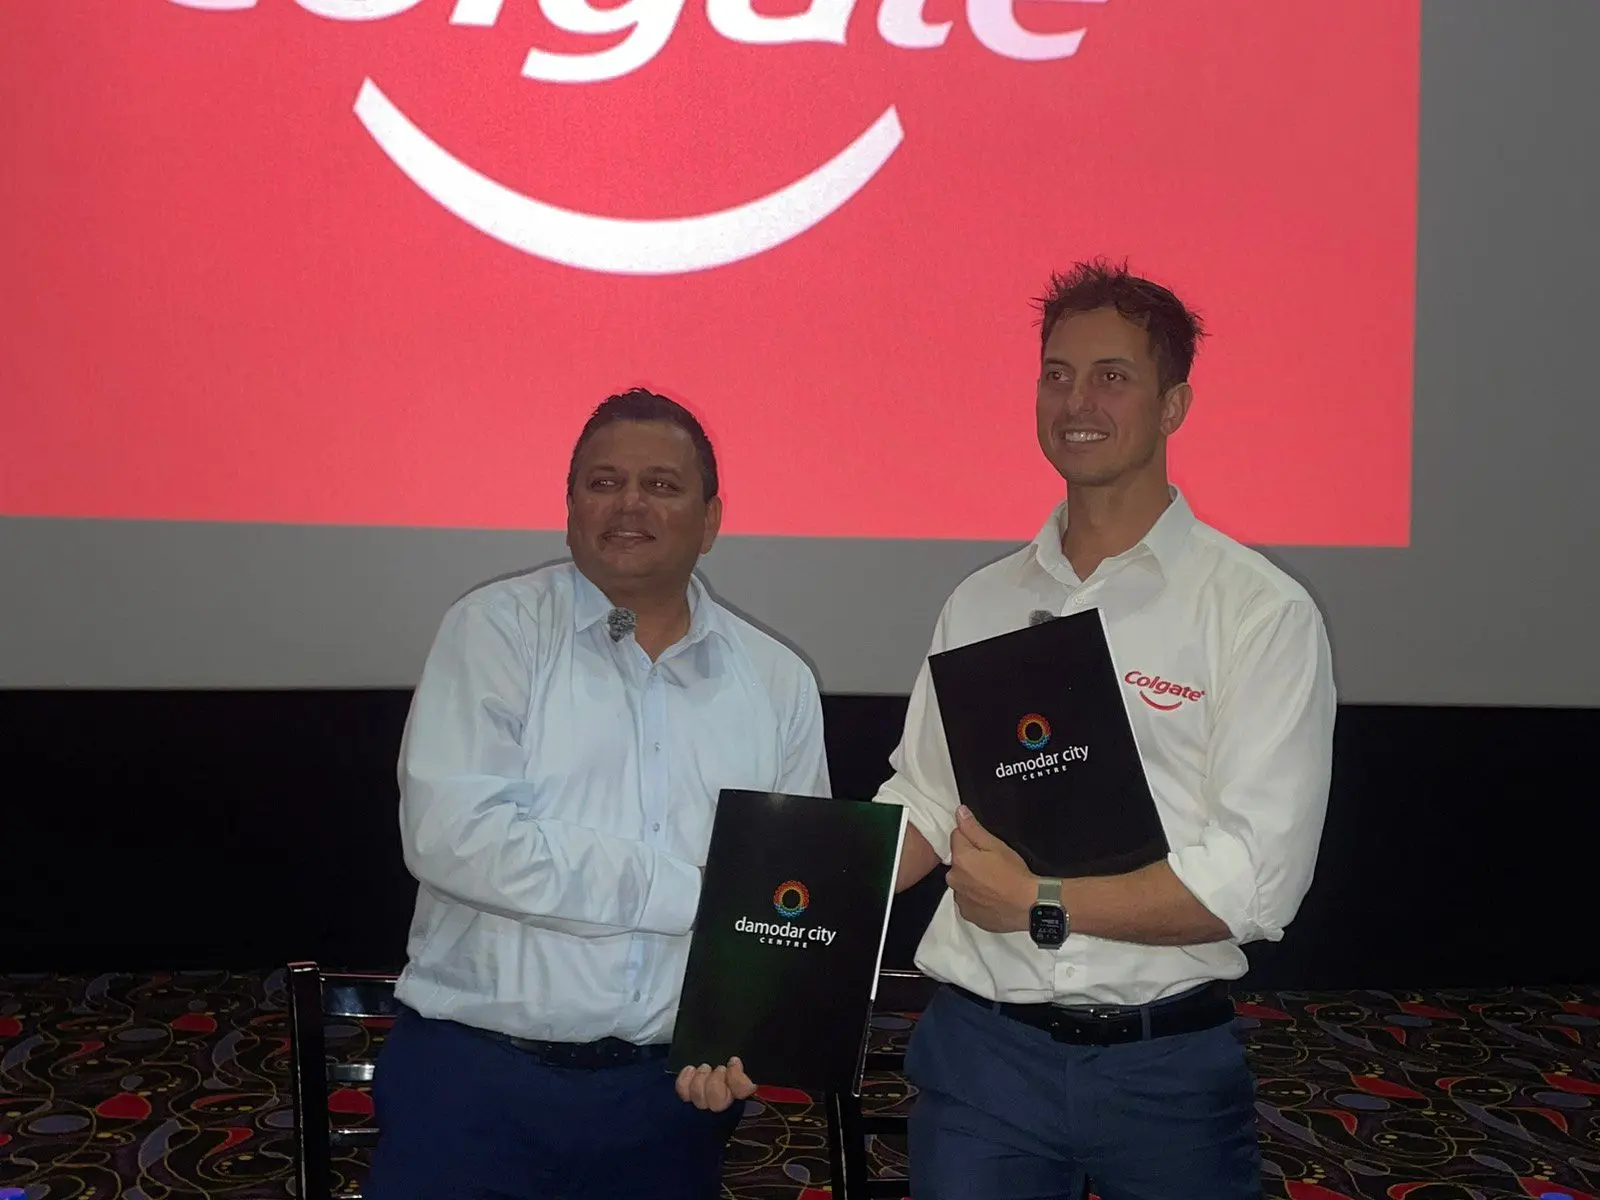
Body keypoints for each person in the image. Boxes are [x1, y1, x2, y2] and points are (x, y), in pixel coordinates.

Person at [875, 260, 1336, 1199]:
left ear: (1174, 405)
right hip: (981, 1061)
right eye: (1057, 373)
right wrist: (779, 915)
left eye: (1112, 376)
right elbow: (923, 802)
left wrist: (1043, 902)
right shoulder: (982, 603)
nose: (1077, 400)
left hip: (1163, 1066)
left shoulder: (1257, 612)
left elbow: (1257, 881)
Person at [365, 388, 829, 1200]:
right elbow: (456, 838)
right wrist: (691, 891)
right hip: (474, 1079)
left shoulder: (777, 682)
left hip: (669, 1096)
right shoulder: (495, 632)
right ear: (571, 505)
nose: (629, 504)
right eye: (603, 482)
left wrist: (746, 1035)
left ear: (712, 519)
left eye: (661, 484)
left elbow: (794, 890)